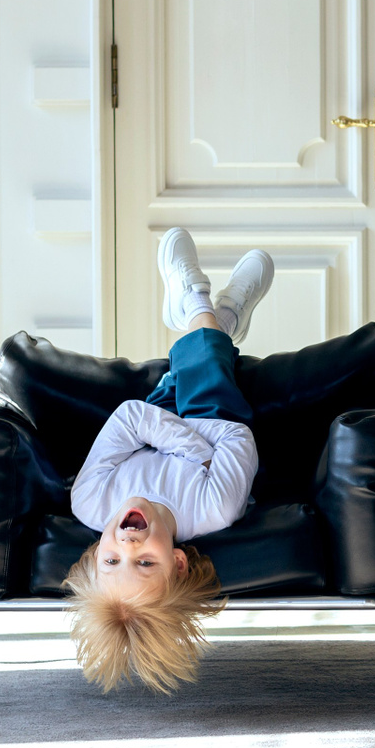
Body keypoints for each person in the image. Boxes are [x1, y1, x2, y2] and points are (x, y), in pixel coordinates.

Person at [63, 228, 275, 693]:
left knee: (194, 378)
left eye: (112, 559)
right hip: (215, 416)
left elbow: (129, 416)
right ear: (177, 563)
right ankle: (200, 305)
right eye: (144, 564)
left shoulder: (90, 501)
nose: (128, 544)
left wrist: (193, 452)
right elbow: (238, 437)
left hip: (162, 411)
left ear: (96, 554)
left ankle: (215, 314)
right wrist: (182, 439)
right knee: (207, 388)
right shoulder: (212, 508)